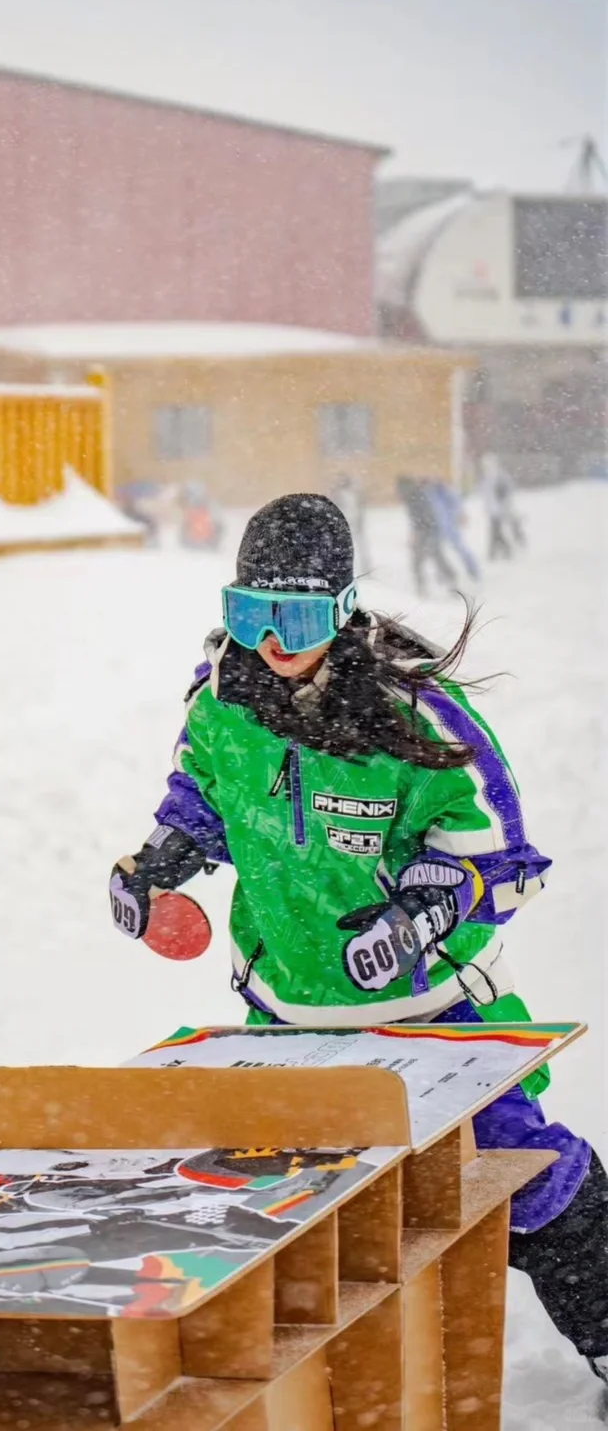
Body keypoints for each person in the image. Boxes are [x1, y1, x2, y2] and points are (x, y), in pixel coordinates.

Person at [107, 494, 608, 1384]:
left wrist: (424, 911)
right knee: (295, 1196)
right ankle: (336, 1374)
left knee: (520, 1177)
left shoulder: (415, 714)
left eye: (298, 618)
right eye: (252, 615)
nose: (273, 642)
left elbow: (502, 854)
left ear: (343, 610)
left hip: (435, 1013)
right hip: (287, 1012)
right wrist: (159, 864)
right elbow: (202, 795)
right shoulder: (221, 700)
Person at [395, 475, 456, 596]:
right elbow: (417, 519)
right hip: (426, 530)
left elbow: (425, 517)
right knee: (425, 559)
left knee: (433, 557)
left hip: (429, 531)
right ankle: (423, 587)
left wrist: (417, 534)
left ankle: (451, 583)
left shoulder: (416, 496)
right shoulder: (413, 496)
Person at [423, 477, 480, 584]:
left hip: (450, 525)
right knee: (438, 553)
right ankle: (443, 576)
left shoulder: (442, 490)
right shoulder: (426, 493)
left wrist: (461, 514)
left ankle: (473, 571)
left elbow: (456, 503)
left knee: (460, 549)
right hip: (437, 528)